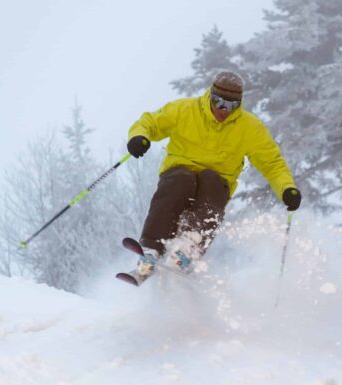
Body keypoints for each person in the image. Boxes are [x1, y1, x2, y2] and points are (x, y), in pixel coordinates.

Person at [126, 70, 301, 278]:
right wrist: (139, 137)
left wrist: (287, 188)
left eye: (230, 105)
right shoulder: (184, 110)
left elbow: (272, 163)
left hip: (217, 182)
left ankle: (188, 249)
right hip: (180, 172)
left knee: (211, 181)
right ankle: (150, 250)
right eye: (218, 102)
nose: (223, 110)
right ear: (210, 95)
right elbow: (150, 122)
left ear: (239, 104)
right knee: (182, 179)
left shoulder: (249, 128)